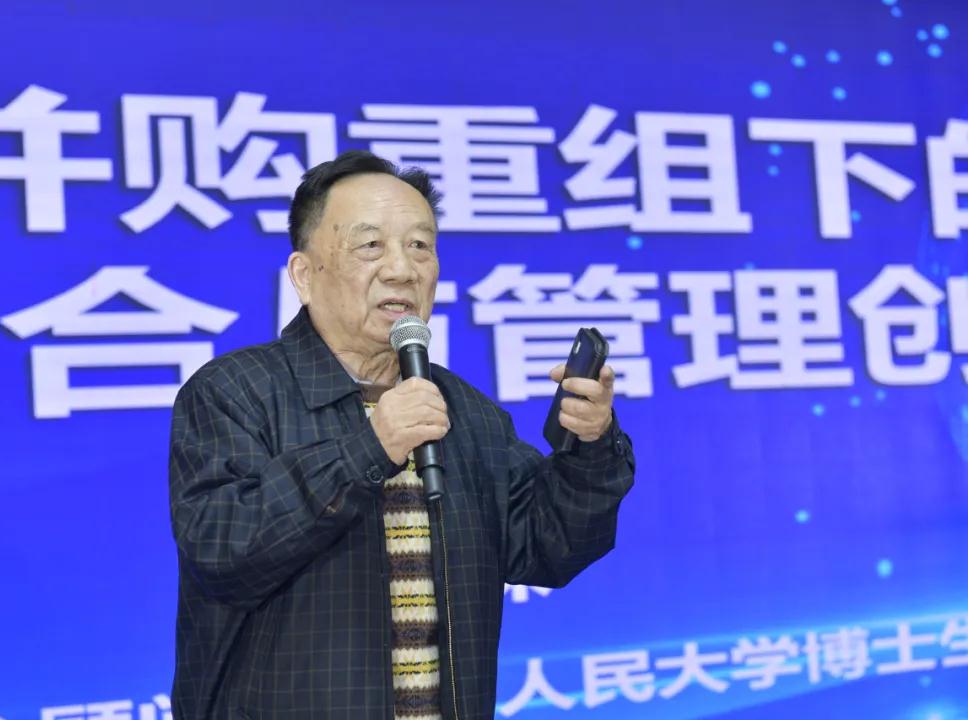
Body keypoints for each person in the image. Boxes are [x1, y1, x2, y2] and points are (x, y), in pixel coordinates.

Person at [168, 150, 636, 720]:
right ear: (304, 275)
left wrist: (590, 447)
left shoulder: (465, 410)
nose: (402, 269)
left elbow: (549, 547)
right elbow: (222, 551)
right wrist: (369, 448)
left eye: (420, 246)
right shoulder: (233, 391)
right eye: (371, 245)